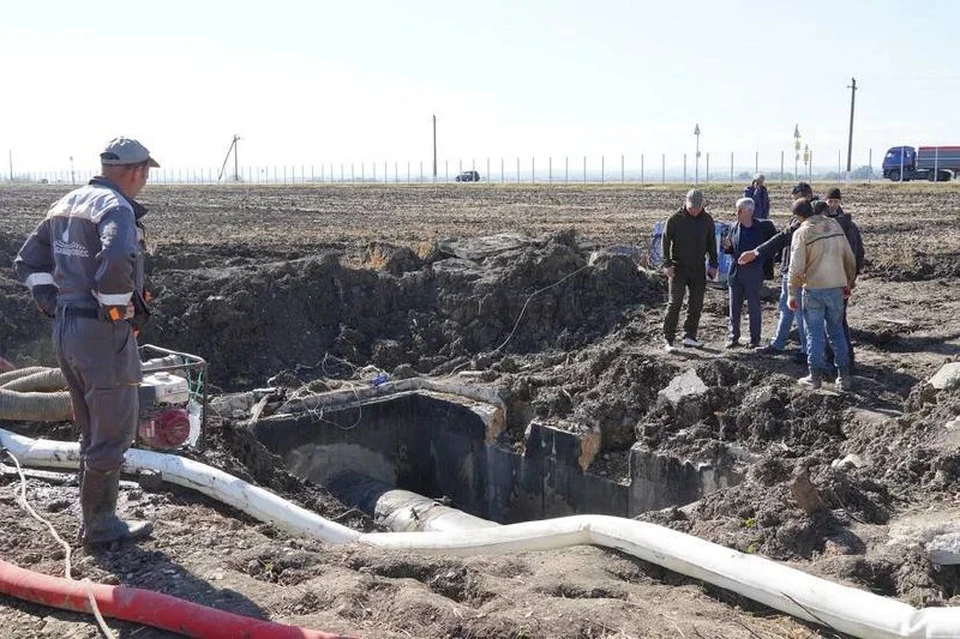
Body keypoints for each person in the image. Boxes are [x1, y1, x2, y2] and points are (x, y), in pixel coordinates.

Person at [14, 137, 159, 547]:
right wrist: (116, 308)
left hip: (67, 330)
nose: (144, 181)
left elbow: (27, 261)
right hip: (100, 334)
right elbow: (116, 260)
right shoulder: (115, 208)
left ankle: (95, 517)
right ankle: (100, 525)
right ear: (136, 171)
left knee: (91, 425)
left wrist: (49, 302)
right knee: (112, 430)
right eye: (144, 173)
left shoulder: (66, 204)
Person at [787, 199, 858, 391]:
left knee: (814, 334)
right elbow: (849, 256)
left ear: (798, 216)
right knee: (836, 332)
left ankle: (815, 377)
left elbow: (796, 267)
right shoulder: (833, 224)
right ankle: (844, 377)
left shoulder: (802, 233)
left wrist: (792, 293)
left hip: (814, 290)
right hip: (836, 287)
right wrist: (849, 282)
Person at [739, 182, 814, 363]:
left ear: (806, 198)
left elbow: (782, 238)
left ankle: (806, 350)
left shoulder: (806, 221)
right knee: (786, 308)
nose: (793, 203)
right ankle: (778, 343)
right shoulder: (799, 218)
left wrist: (756, 252)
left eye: (795, 199)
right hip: (788, 270)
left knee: (800, 312)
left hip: (799, 273)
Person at [661, 189, 718, 350]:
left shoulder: (707, 220)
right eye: (691, 207)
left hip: (698, 268)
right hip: (678, 268)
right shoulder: (674, 219)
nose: (694, 210)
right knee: (675, 303)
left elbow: (712, 243)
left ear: (702, 205)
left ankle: (689, 336)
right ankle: (668, 339)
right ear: (686, 203)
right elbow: (665, 242)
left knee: (696, 303)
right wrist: (667, 264)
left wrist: (713, 264)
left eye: (697, 207)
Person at [722, 198, 777, 348]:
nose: (736, 213)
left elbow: (768, 249)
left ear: (749, 211)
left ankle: (754, 339)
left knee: (753, 305)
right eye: (736, 210)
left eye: (739, 210)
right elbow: (731, 249)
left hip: (753, 272)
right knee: (734, 306)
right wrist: (727, 247)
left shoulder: (762, 228)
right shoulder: (733, 227)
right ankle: (733, 337)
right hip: (735, 271)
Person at [824, 187, 865, 370]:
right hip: (836, 279)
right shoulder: (831, 224)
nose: (833, 204)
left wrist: (852, 277)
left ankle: (843, 359)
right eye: (830, 201)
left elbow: (858, 253)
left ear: (840, 202)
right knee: (836, 319)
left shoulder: (847, 226)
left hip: (838, 280)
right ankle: (840, 357)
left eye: (836, 201)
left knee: (837, 319)